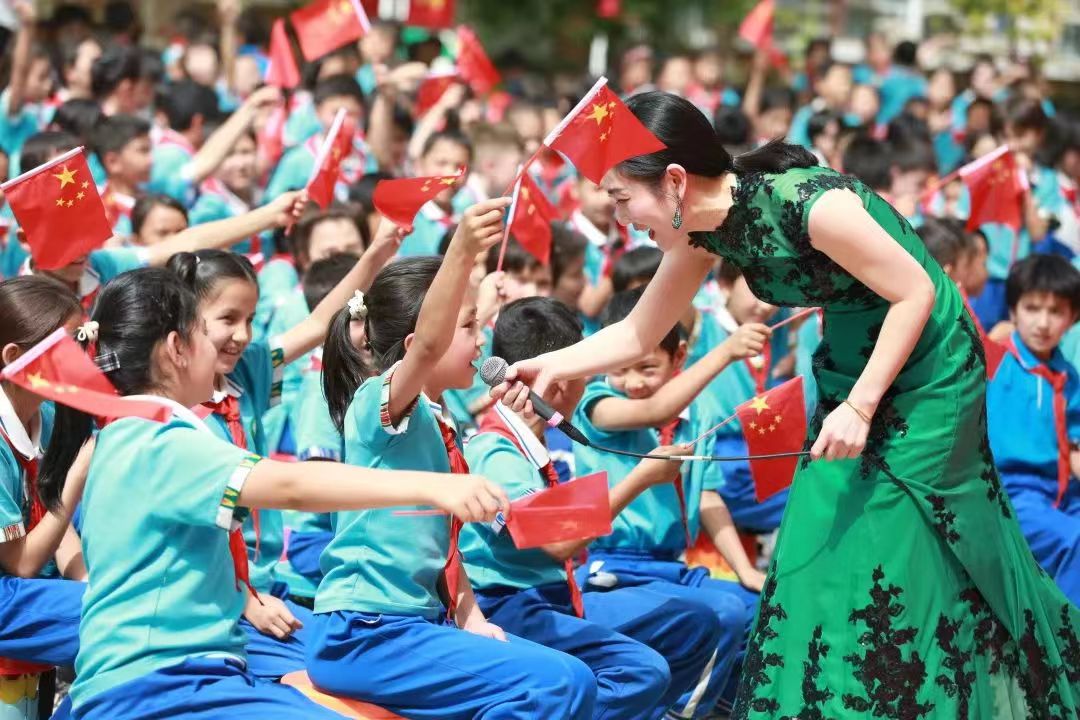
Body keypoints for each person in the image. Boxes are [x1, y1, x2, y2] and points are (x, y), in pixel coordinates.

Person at [492, 90, 1080, 717]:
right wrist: (549, 365)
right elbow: (637, 334)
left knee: (902, 540)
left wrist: (861, 407)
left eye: (621, 198)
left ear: (674, 181)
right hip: (852, 370)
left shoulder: (810, 203)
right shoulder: (701, 233)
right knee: (816, 539)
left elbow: (916, 293)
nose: (620, 218)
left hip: (927, 370)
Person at [37, 267, 507, 720]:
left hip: (171, 676)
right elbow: (291, 486)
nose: (225, 345)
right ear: (176, 348)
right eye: (204, 331)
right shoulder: (157, 442)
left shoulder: (131, 432)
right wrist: (435, 486)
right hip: (159, 682)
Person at [309, 198, 598, 719]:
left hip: (417, 622)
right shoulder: (376, 403)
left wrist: (470, 618)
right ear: (423, 339)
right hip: (364, 629)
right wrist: (461, 253)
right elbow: (426, 347)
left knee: (577, 677)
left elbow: (446, 547)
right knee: (563, 681)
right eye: (469, 327)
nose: (482, 340)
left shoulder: (441, 420)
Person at [465, 294, 745, 719]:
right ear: (559, 380)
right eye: (586, 371)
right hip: (514, 607)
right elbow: (557, 542)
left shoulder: (532, 439)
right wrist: (640, 479)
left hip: (556, 596)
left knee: (698, 622)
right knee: (642, 671)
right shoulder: (497, 450)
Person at [166, 215, 398, 679]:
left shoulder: (243, 372)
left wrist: (376, 254)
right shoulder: (169, 413)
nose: (243, 335)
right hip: (216, 598)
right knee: (325, 680)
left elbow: (318, 323)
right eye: (228, 319)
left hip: (266, 584)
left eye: (250, 320)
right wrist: (246, 601)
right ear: (183, 322)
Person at [0, 276, 86, 672]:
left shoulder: (46, 415)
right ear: (13, 356)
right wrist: (80, 470)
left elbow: (54, 518)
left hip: (24, 587)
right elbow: (21, 563)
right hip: (10, 587)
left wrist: (85, 580)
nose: (80, 361)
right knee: (116, 619)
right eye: (65, 349)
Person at [987, 254, 1080, 606]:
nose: (1043, 322)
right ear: (1013, 311)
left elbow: (1074, 447)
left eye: (1056, 311)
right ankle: (1064, 635)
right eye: (1032, 308)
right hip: (1010, 494)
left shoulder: (1068, 375)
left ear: (1072, 317)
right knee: (1075, 540)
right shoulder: (995, 360)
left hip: (1063, 494)